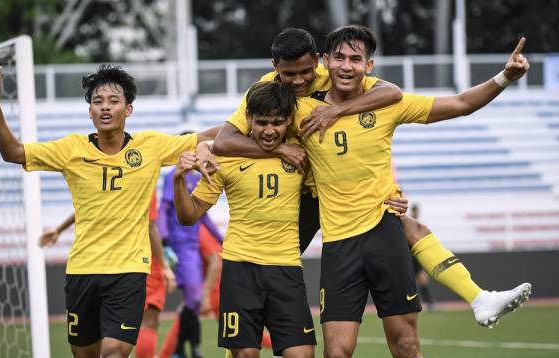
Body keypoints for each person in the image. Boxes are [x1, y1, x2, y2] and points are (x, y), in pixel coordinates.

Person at [214, 27, 531, 331]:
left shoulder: (344, 78)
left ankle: (478, 297)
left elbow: (404, 94)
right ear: (276, 68)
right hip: (297, 196)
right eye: (289, 74)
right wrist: (280, 149)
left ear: (318, 61)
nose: (298, 80)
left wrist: (504, 77)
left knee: (405, 225)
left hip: (345, 198)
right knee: (261, 273)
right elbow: (226, 139)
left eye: (305, 72)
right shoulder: (268, 89)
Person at [287, 25, 531, 358]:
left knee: (404, 345)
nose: (346, 66)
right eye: (339, 57)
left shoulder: (388, 102)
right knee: (336, 356)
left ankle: (479, 298)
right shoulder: (300, 107)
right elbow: (255, 126)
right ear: (325, 61)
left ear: (369, 65)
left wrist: (504, 77)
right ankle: (478, 296)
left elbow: (461, 104)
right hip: (339, 245)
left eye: (356, 59)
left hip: (385, 232)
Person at [0, 64, 218, 358]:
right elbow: (13, 152)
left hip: (130, 270)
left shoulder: (150, 146)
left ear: (128, 108)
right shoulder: (70, 149)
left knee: (116, 354)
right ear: (90, 110)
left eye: (113, 100)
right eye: (97, 100)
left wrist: (247, 119)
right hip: (83, 270)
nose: (105, 106)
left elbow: (204, 137)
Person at [174, 81, 322, 358]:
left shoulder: (302, 156)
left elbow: (335, 193)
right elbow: (189, 216)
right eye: (262, 122)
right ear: (249, 120)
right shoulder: (226, 159)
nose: (270, 130)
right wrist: (179, 180)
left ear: (289, 121)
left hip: (285, 269)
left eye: (277, 122)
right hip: (241, 268)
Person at [39, 193, 177, 358]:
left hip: (127, 265)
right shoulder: (133, 174)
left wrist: (59, 229)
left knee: (116, 352)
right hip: (110, 264)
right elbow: (149, 225)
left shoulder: (138, 173)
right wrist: (164, 265)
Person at [159, 156, 226, 358]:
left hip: (191, 244)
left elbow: (202, 214)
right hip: (180, 247)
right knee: (194, 299)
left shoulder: (197, 178)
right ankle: (183, 355)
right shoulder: (173, 176)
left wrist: (222, 239)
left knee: (192, 303)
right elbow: (164, 209)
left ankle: (187, 355)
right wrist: (165, 240)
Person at [408, 204, 437, 310]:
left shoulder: (419, 224)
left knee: (423, 280)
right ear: (413, 211)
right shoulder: (408, 222)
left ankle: (430, 304)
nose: (417, 213)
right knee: (407, 283)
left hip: (416, 257)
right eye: (416, 211)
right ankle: (410, 305)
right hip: (408, 256)